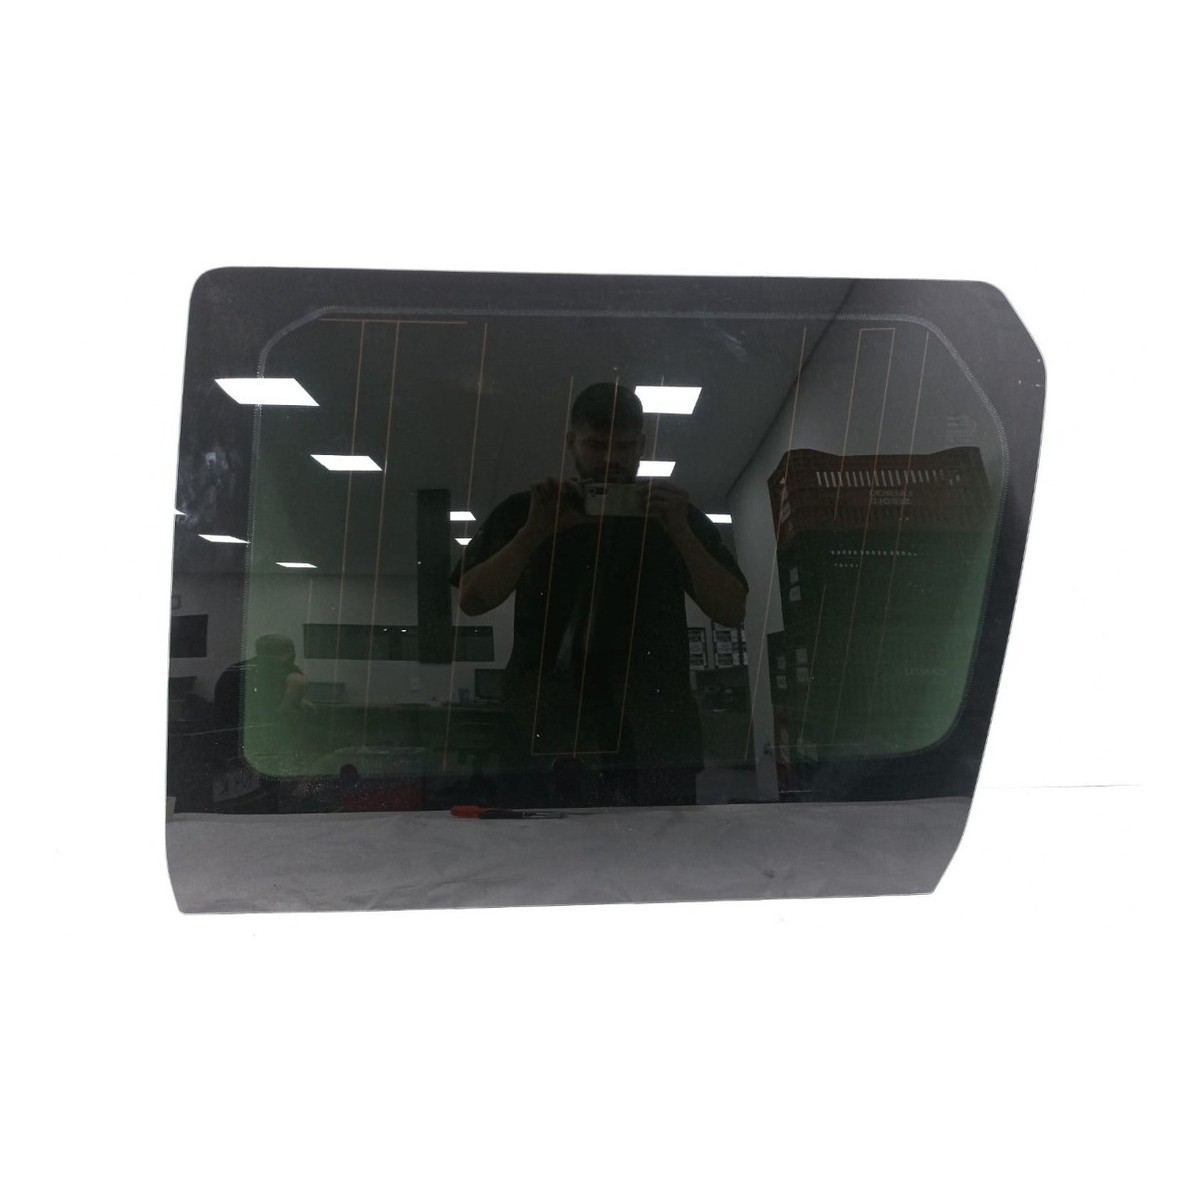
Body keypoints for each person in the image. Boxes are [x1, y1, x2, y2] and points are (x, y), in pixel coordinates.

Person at [454, 383, 747, 806]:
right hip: (552, 734)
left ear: (641, 446)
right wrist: (534, 532)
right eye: (596, 445)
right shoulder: (528, 511)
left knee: (662, 848)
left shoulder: (674, 517)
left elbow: (732, 610)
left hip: (650, 736)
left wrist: (681, 531)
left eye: (624, 447)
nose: (611, 459)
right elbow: (472, 600)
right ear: (570, 442)